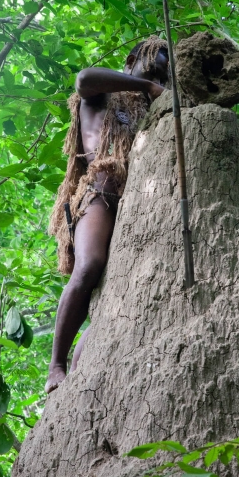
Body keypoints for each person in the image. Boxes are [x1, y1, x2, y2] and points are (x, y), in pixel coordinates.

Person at [45, 36, 169, 393]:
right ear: (132, 60)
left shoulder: (150, 113)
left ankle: (85, 379)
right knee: (89, 266)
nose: (159, 81)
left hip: (137, 211)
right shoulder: (103, 95)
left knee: (115, 299)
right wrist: (145, 84)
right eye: (154, 70)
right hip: (99, 193)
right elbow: (84, 79)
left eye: (164, 78)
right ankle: (56, 365)